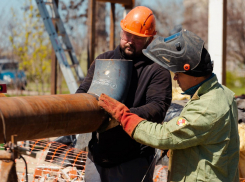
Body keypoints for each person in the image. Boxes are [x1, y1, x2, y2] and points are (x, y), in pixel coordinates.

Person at [98, 29, 240, 182]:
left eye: (178, 73)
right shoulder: (222, 93)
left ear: (193, 74)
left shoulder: (206, 107)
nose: (176, 78)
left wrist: (123, 115)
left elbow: (163, 136)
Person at [76, 6, 172, 182]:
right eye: (128, 35)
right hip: (97, 156)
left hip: (133, 160)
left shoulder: (157, 70)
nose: (131, 41)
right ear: (122, 32)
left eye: (138, 38)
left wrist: (121, 114)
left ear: (149, 40)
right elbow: (83, 93)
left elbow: (157, 108)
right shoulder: (103, 61)